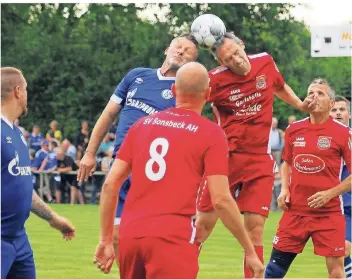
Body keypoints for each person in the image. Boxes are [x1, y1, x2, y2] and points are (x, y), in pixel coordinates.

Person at [92, 62, 264, 279]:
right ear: (209, 93)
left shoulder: (141, 125)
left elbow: (110, 185)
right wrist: (249, 251)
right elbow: (220, 199)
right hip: (173, 237)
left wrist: (105, 240)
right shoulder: (211, 133)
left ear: (174, 90)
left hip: (131, 234)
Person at [195, 32, 318, 278]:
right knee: (201, 227)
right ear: (221, 63)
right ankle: (180, 271)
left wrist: (301, 106)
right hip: (225, 160)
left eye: (237, 53)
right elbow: (190, 102)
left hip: (259, 161)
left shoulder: (265, 61)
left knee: (256, 230)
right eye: (228, 59)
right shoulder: (214, 80)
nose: (236, 60)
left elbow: (279, 86)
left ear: (242, 45)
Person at [78, 33, 199, 265]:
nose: (181, 51)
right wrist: (90, 153)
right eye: (178, 46)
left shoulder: (184, 91)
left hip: (157, 174)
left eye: (189, 52)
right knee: (116, 236)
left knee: (154, 242)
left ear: (192, 63)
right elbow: (109, 114)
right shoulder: (136, 76)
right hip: (122, 165)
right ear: (167, 49)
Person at [265, 79, 351, 278]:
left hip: (328, 214)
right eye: (310, 92)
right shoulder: (294, 130)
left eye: (320, 93)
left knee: (336, 272)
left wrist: (330, 194)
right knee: (274, 270)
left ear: (331, 103)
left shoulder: (344, 133)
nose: (313, 97)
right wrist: (285, 190)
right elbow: (287, 162)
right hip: (295, 212)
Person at [1, 67, 76, 279]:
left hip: (19, 240)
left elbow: (22, 186)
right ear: (17, 91)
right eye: (26, 89)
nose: (27, 95)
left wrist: (52, 218)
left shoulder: (17, 133)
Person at [330, 95, 351, 278]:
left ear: (349, 114)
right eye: (334, 110)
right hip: (330, 205)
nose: (338, 113)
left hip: (348, 204)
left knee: (343, 251)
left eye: (342, 110)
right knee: (336, 256)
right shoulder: (323, 139)